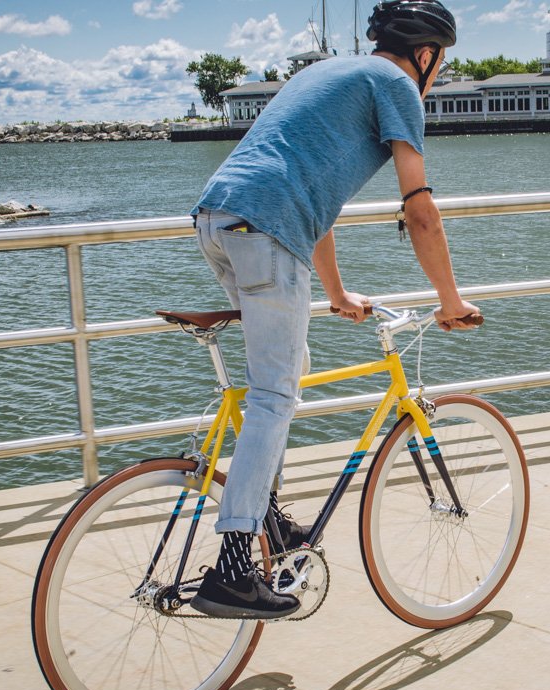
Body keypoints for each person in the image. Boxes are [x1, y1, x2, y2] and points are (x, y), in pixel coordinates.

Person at [189, 0, 480, 620]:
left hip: (218, 218)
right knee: (275, 396)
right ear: (426, 54)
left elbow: (310, 201)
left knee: (288, 367)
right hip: (265, 228)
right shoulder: (398, 85)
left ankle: (266, 517)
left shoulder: (326, 73)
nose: (438, 73)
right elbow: (420, 209)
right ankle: (233, 569)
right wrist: (449, 301)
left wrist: (338, 294)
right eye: (442, 62)